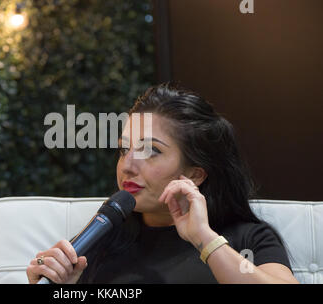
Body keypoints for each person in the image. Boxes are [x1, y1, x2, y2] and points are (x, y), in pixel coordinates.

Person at [26, 82, 299, 284]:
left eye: (150, 151)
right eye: (124, 150)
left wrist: (203, 238)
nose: (127, 165)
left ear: (195, 174)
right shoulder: (101, 241)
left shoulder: (248, 238)